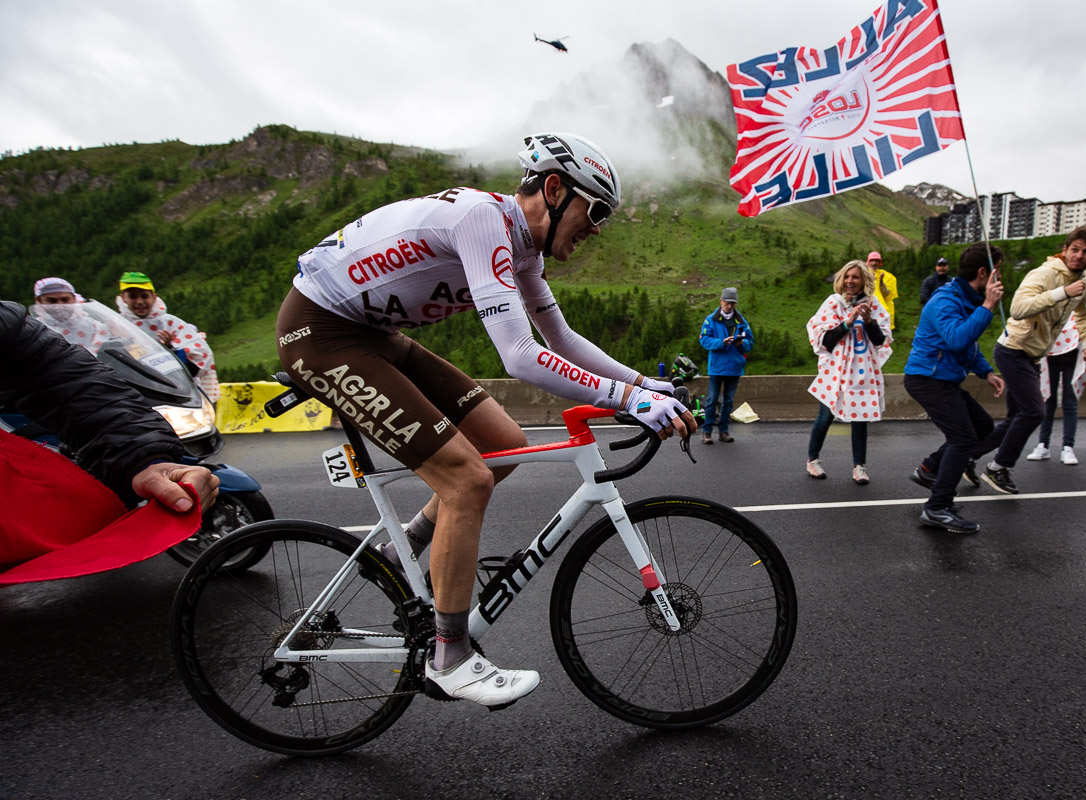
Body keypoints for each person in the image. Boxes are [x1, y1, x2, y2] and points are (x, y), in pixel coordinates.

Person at [276, 132, 694, 708]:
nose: (598, 227)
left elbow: (561, 338)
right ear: (553, 190)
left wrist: (644, 384)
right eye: (595, 210)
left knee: (502, 442)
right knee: (466, 479)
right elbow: (520, 356)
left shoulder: (522, 248)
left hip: (375, 337)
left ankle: (402, 551)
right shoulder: (482, 221)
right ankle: (450, 657)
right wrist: (631, 402)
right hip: (320, 335)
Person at [1, 299, 219, 513]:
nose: (139, 302)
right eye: (133, 296)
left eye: (64, 299)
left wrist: (142, 458)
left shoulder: (97, 324)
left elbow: (63, 375)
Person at [981, 226, 1086, 494]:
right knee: (1034, 411)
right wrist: (1063, 293)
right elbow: (1018, 309)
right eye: (1075, 249)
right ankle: (998, 468)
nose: (1079, 256)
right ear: (1066, 249)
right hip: (1013, 349)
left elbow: (1083, 315)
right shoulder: (1045, 273)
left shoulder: (1084, 282)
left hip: (1033, 354)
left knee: (1015, 417)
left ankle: (968, 456)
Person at [903, 243, 1007, 533]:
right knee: (962, 438)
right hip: (928, 379)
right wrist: (987, 306)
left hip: (943, 379)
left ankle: (930, 469)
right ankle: (937, 507)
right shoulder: (945, 300)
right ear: (984, 272)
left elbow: (968, 347)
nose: (1001, 279)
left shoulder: (965, 298)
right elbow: (956, 339)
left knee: (983, 427)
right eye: (998, 272)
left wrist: (986, 372)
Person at [804, 260, 891, 484]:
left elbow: (881, 340)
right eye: (847, 277)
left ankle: (859, 466)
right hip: (835, 371)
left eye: (856, 277)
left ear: (864, 281)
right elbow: (825, 340)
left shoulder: (873, 304)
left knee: (860, 418)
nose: (851, 281)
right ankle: (813, 460)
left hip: (861, 371)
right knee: (825, 416)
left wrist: (869, 321)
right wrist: (847, 321)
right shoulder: (833, 303)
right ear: (841, 280)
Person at [1027, 292, 1086, 465]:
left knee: (1070, 401)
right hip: (1049, 354)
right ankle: (1042, 445)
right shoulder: (1053, 294)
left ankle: (1068, 447)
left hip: (1074, 356)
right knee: (1047, 400)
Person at [116, 272, 221, 401]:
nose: (139, 302)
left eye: (144, 296)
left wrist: (170, 349)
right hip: (138, 396)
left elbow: (196, 366)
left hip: (179, 394)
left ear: (154, 297)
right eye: (132, 296)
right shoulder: (115, 325)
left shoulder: (171, 323)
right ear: (123, 298)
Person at [699, 287, 754, 444]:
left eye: (732, 303)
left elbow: (750, 343)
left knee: (728, 401)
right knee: (712, 399)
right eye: (727, 302)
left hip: (734, 367)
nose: (729, 306)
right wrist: (720, 343)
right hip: (716, 367)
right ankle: (707, 432)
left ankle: (724, 431)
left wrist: (741, 344)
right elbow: (704, 339)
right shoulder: (711, 320)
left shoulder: (742, 322)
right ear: (721, 301)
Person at [29, 277, 109, 354]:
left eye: (65, 299)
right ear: (38, 300)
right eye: (52, 301)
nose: (59, 305)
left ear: (74, 298)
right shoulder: (35, 329)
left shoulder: (92, 324)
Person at [867, 251, 899, 330]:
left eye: (876, 261)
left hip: (882, 313)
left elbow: (888, 295)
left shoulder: (888, 277)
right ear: (868, 262)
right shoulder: (860, 274)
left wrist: (881, 284)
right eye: (872, 260)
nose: (874, 263)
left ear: (880, 263)